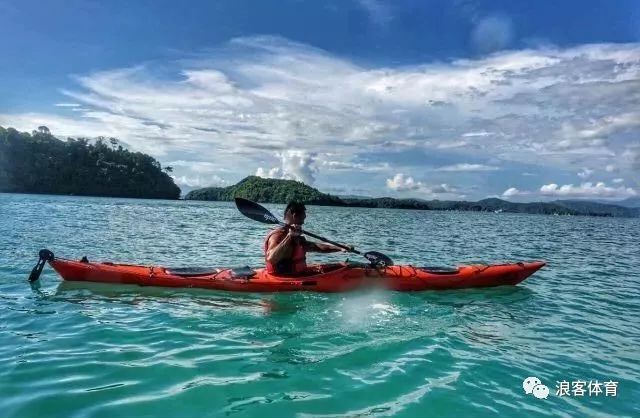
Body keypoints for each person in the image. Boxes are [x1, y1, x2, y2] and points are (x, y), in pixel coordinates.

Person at [264, 201, 351, 275]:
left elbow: (317, 247)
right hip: (282, 278)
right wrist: (289, 236)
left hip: (299, 274)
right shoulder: (277, 235)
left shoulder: (298, 237)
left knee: (345, 266)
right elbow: (271, 259)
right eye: (302, 218)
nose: (303, 222)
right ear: (294, 216)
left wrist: (340, 247)